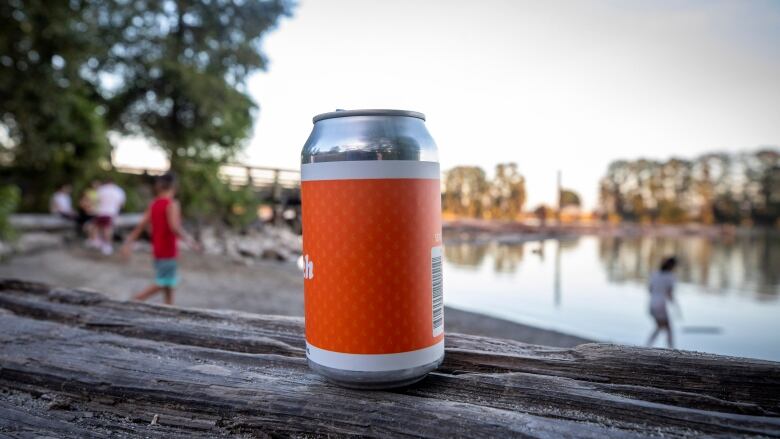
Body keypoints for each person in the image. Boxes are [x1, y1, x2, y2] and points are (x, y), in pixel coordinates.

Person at [121, 173, 199, 305]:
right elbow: (174, 227)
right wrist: (190, 241)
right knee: (164, 282)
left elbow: (141, 225)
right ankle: (133, 302)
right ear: (175, 187)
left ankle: (170, 308)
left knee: (168, 283)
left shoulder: (154, 204)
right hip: (168, 250)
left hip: (158, 249)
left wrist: (128, 243)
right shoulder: (172, 204)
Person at [646, 257, 678, 348]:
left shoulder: (654, 274)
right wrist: (676, 306)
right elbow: (669, 294)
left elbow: (650, 289)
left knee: (659, 327)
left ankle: (647, 346)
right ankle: (672, 350)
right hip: (661, 305)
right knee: (668, 329)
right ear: (672, 266)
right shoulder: (671, 277)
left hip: (652, 303)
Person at [94, 178, 126, 255]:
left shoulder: (101, 189)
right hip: (112, 212)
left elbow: (97, 201)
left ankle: (102, 243)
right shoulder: (119, 191)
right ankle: (107, 245)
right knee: (108, 229)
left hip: (101, 212)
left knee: (101, 228)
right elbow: (121, 204)